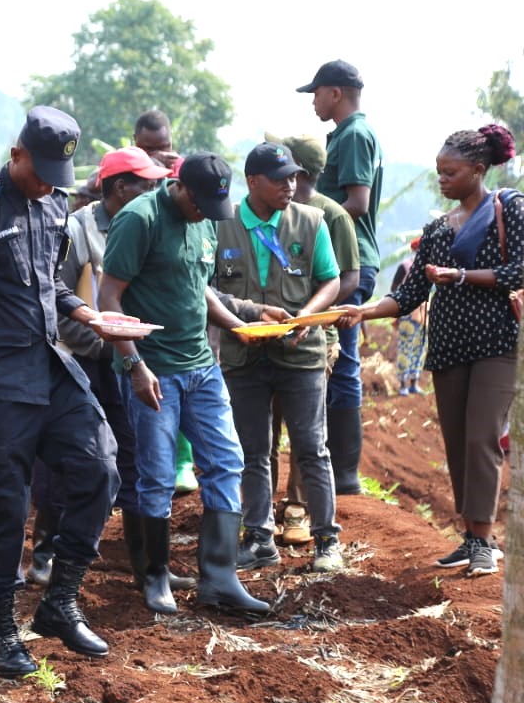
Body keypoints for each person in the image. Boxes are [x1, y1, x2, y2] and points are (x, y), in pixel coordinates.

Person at [0, 106, 119, 677]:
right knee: (7, 505)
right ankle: (0, 632)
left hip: (49, 366)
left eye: (55, 177)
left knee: (100, 466)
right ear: (16, 155)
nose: (45, 185)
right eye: (39, 173)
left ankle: (60, 601)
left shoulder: (56, 203)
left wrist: (87, 313)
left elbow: (48, 284)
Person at [339, 125, 520, 577]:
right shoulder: (438, 229)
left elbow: (519, 269)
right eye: (439, 172)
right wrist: (363, 311)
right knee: (457, 442)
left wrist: (461, 277)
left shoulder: (509, 208)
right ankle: (472, 536)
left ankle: (483, 541)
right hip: (448, 346)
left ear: (478, 169)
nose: (442, 180)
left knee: (481, 438)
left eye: (450, 172)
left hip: (497, 343)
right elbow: (409, 294)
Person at [98, 152, 271, 616]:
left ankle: (220, 578)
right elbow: (108, 296)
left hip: (201, 366)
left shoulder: (206, 220)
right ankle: (153, 575)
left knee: (226, 462)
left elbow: (200, 288)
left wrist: (238, 325)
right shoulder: (140, 219)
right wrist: (134, 364)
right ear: (182, 188)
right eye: (200, 205)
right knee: (156, 475)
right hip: (153, 368)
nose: (205, 214)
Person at [31, 147, 199, 602]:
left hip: (129, 358)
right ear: (120, 187)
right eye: (145, 183)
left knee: (135, 456)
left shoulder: (152, 223)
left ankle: (145, 567)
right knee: (70, 456)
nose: (155, 189)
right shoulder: (77, 228)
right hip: (83, 359)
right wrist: (98, 339)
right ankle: (44, 553)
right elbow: (56, 296)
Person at [213, 143, 344, 574]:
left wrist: (306, 316)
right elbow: (207, 287)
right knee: (253, 450)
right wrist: (240, 321)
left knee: (312, 448)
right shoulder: (222, 224)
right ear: (252, 182)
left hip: (300, 353)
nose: (290, 186)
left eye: (294, 177)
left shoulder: (310, 221)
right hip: (243, 353)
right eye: (280, 179)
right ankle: (259, 538)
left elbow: (330, 280)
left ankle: (327, 540)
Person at [263, 132, 360, 544]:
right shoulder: (265, 213)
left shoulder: (329, 214)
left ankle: (298, 510)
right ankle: (261, 511)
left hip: (312, 337)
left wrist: (314, 314)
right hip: (264, 334)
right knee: (264, 429)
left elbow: (347, 276)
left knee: (306, 433)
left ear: (298, 171)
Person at [297, 60, 383, 495]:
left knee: (343, 360)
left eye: (316, 93)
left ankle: (345, 473)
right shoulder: (348, 134)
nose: (313, 101)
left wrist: (306, 222)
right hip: (338, 258)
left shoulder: (352, 135)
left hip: (351, 260)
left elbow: (357, 202)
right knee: (334, 357)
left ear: (335, 93)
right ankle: (335, 469)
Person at [133, 111, 197, 495]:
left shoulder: (185, 177)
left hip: (178, 297)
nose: (158, 156)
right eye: (148, 149)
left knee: (183, 380)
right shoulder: (127, 173)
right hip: (137, 299)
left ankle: (183, 461)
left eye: (164, 148)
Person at [391, 248, 428, 396]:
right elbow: (394, 287)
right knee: (405, 348)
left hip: (423, 314)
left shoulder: (429, 266)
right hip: (407, 314)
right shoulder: (405, 266)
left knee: (420, 348)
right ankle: (402, 384)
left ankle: (414, 383)